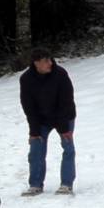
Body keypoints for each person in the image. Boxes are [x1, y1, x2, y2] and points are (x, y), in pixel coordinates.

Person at [19, 47, 76, 196]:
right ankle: (36, 184)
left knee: (68, 147)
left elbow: (66, 102)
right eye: (45, 61)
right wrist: (34, 131)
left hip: (64, 116)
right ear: (36, 63)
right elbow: (28, 107)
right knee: (36, 149)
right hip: (41, 119)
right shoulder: (26, 79)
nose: (50, 63)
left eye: (50, 59)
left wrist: (64, 129)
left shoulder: (60, 74)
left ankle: (66, 183)